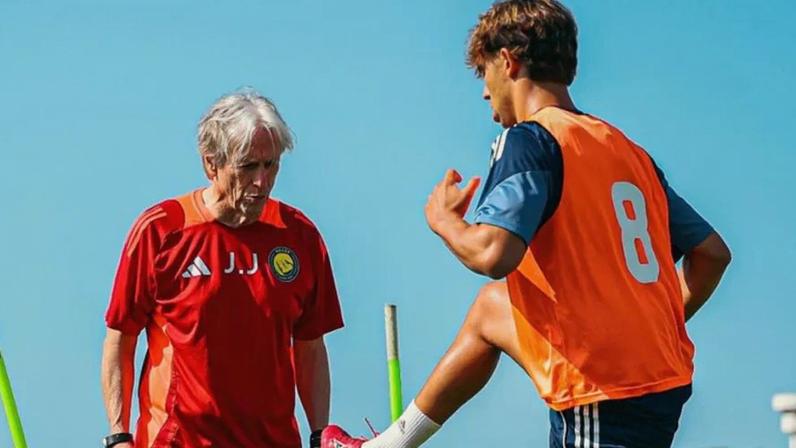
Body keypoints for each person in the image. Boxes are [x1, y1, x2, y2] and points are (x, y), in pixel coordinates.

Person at [322, 1, 731, 447]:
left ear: (507, 61)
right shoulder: (627, 150)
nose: (484, 93)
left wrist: (443, 221)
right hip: (659, 379)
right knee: (491, 309)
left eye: (484, 73)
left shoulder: (530, 140)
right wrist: (650, 327)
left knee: (494, 294)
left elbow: (494, 253)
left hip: (605, 392)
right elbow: (712, 254)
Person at [100, 90, 344, 448]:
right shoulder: (162, 229)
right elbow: (121, 338)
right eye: (247, 167)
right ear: (210, 164)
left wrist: (319, 433)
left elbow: (309, 346)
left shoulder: (300, 236)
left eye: (271, 164)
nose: (261, 182)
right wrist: (119, 436)